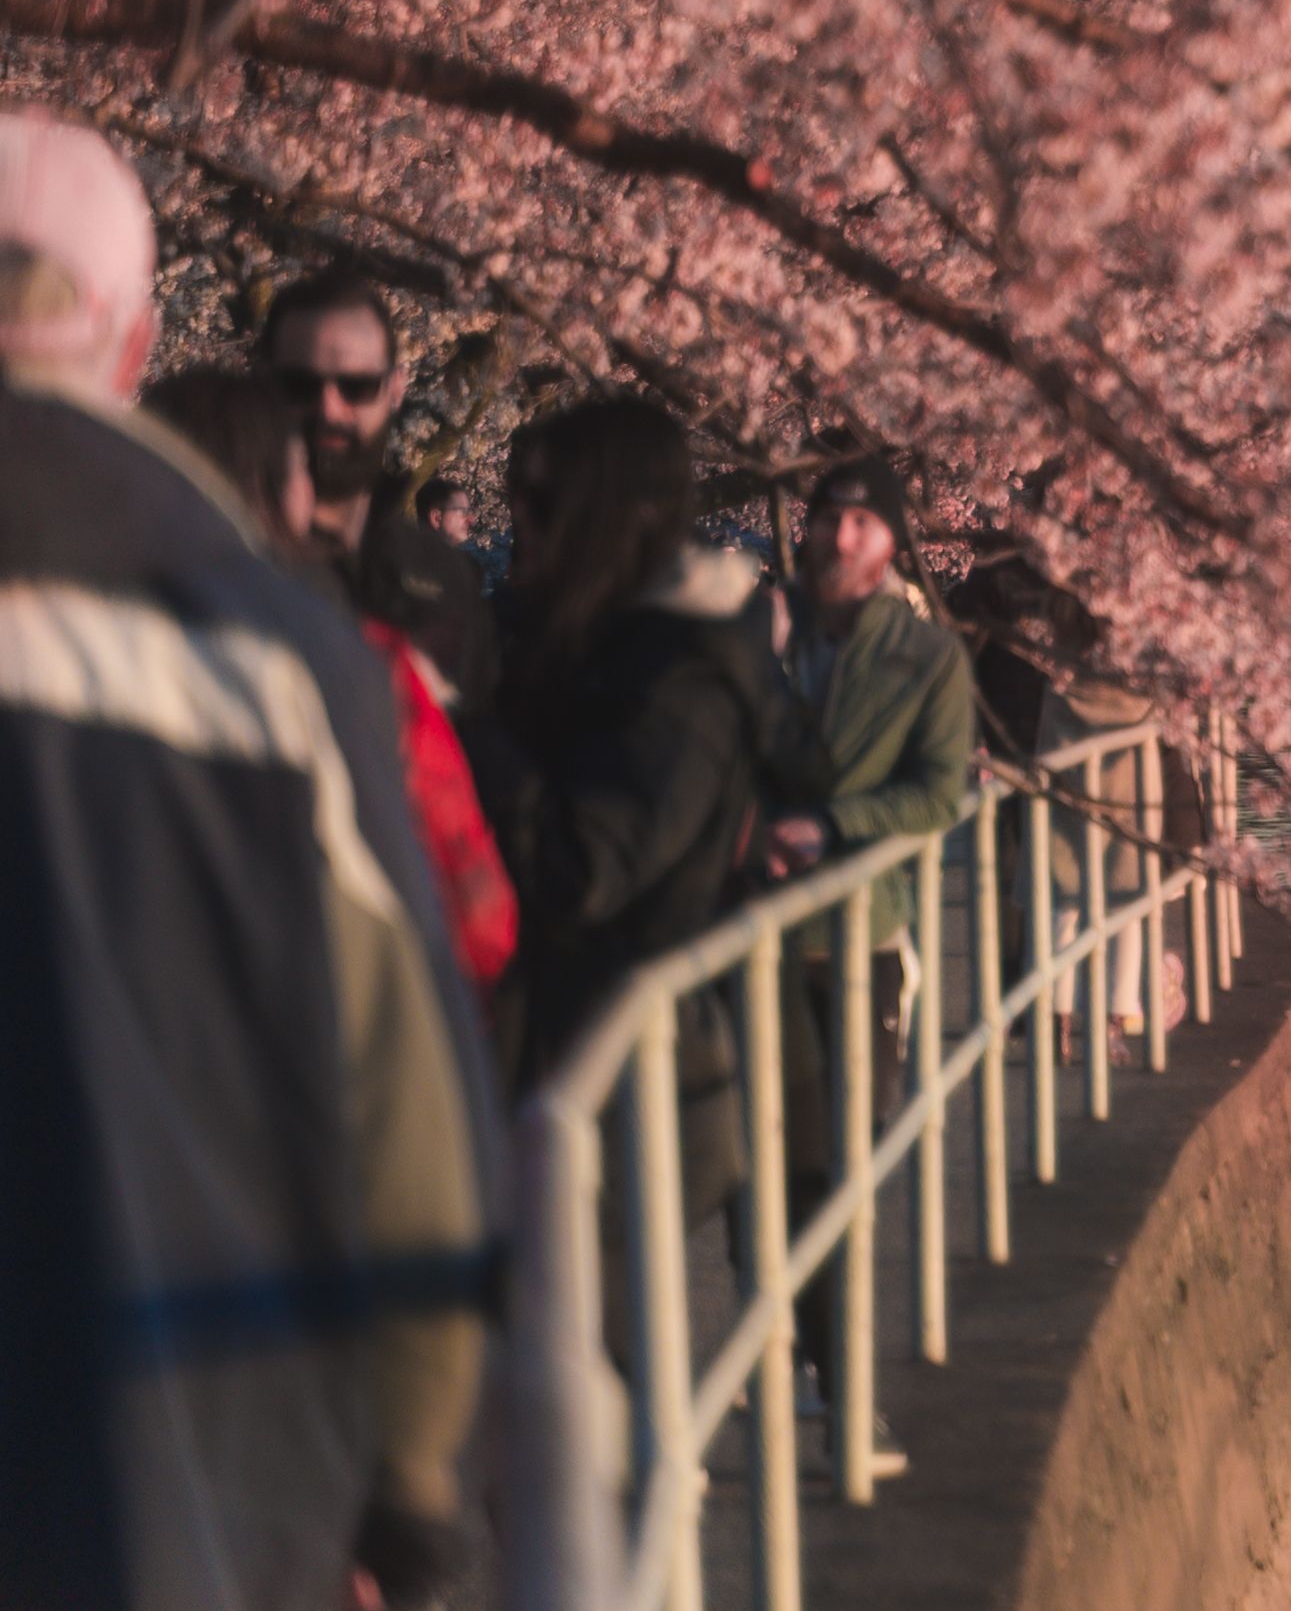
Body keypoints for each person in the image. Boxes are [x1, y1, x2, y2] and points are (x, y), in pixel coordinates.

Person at [0, 110, 491, 1610]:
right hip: (196, 1462)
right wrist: (408, 1491)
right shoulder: (277, 666)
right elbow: (411, 1116)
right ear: (138, 347)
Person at [497, 395, 778, 1247]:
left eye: (543, 509)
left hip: (626, 1071)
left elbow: (587, 866)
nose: (521, 531)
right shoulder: (590, 642)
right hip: (567, 1049)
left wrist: (458, 728)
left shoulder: (683, 677)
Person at [144, 366, 517, 1001]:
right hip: (322, 1002)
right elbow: (477, 920)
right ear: (280, 488)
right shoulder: (353, 660)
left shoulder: (69, 640)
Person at [264, 269, 501, 721]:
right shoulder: (218, 553)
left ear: (395, 389)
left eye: (356, 386)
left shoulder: (441, 578)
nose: (329, 407)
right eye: (301, 385)